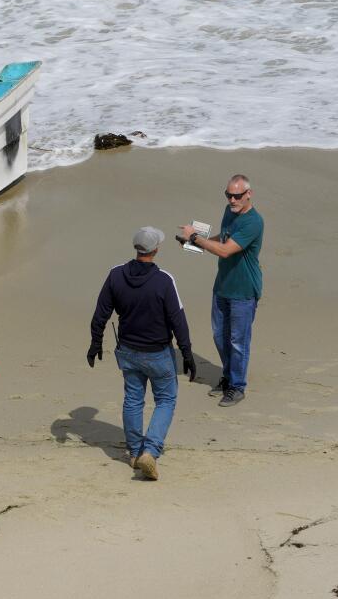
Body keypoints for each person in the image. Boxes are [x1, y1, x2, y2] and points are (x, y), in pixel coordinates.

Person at [88, 227, 194, 481]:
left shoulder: (115, 275)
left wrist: (95, 343)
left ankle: (135, 452)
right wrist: (187, 352)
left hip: (128, 351)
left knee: (133, 399)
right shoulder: (164, 280)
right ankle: (150, 450)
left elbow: (100, 313)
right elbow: (177, 319)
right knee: (166, 399)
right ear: (155, 249)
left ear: (137, 249)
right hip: (157, 352)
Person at [180, 174, 263, 408]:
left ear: (249, 194)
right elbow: (223, 238)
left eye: (237, 195)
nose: (232, 199)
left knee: (238, 340)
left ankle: (237, 387)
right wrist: (194, 243)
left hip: (244, 290)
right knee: (220, 336)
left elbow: (226, 250)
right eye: (229, 195)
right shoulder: (230, 212)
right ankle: (228, 377)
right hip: (223, 286)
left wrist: (195, 237)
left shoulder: (254, 222)